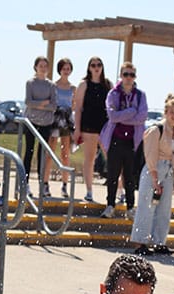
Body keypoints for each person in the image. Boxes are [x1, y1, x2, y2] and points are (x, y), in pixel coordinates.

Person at [130, 94, 174, 256]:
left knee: (164, 209)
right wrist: (154, 177)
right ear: (165, 112)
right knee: (146, 207)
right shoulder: (156, 130)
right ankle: (140, 242)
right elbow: (150, 154)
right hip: (154, 169)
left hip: (168, 171)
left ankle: (160, 241)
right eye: (171, 112)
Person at [99, 61, 147, 220]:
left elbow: (142, 118)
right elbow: (112, 116)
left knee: (130, 176)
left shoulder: (140, 95)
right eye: (126, 74)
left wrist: (124, 116)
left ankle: (130, 208)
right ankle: (110, 205)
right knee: (112, 175)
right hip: (115, 139)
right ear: (121, 75)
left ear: (135, 77)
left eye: (131, 75)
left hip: (133, 142)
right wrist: (131, 112)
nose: (128, 78)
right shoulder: (113, 94)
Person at [72, 56, 110, 203]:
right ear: (89, 67)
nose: (96, 67)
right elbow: (78, 108)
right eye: (93, 65)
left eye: (99, 65)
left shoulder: (107, 84)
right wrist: (77, 128)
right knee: (89, 159)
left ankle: (118, 190)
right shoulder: (84, 84)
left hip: (104, 127)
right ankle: (89, 191)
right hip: (88, 126)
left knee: (111, 158)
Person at [23, 56, 57, 199]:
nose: (43, 68)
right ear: (35, 67)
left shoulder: (51, 85)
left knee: (42, 155)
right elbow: (28, 102)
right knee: (29, 152)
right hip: (31, 122)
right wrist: (42, 103)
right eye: (40, 65)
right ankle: (25, 184)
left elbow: (54, 106)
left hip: (46, 123)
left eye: (45, 66)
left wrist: (41, 105)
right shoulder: (30, 83)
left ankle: (42, 184)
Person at [49, 58, 75, 198]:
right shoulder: (53, 85)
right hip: (55, 119)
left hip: (66, 121)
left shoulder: (72, 88)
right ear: (60, 70)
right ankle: (45, 183)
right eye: (64, 68)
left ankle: (65, 184)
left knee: (65, 153)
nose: (66, 71)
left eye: (68, 68)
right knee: (50, 151)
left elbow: (74, 104)